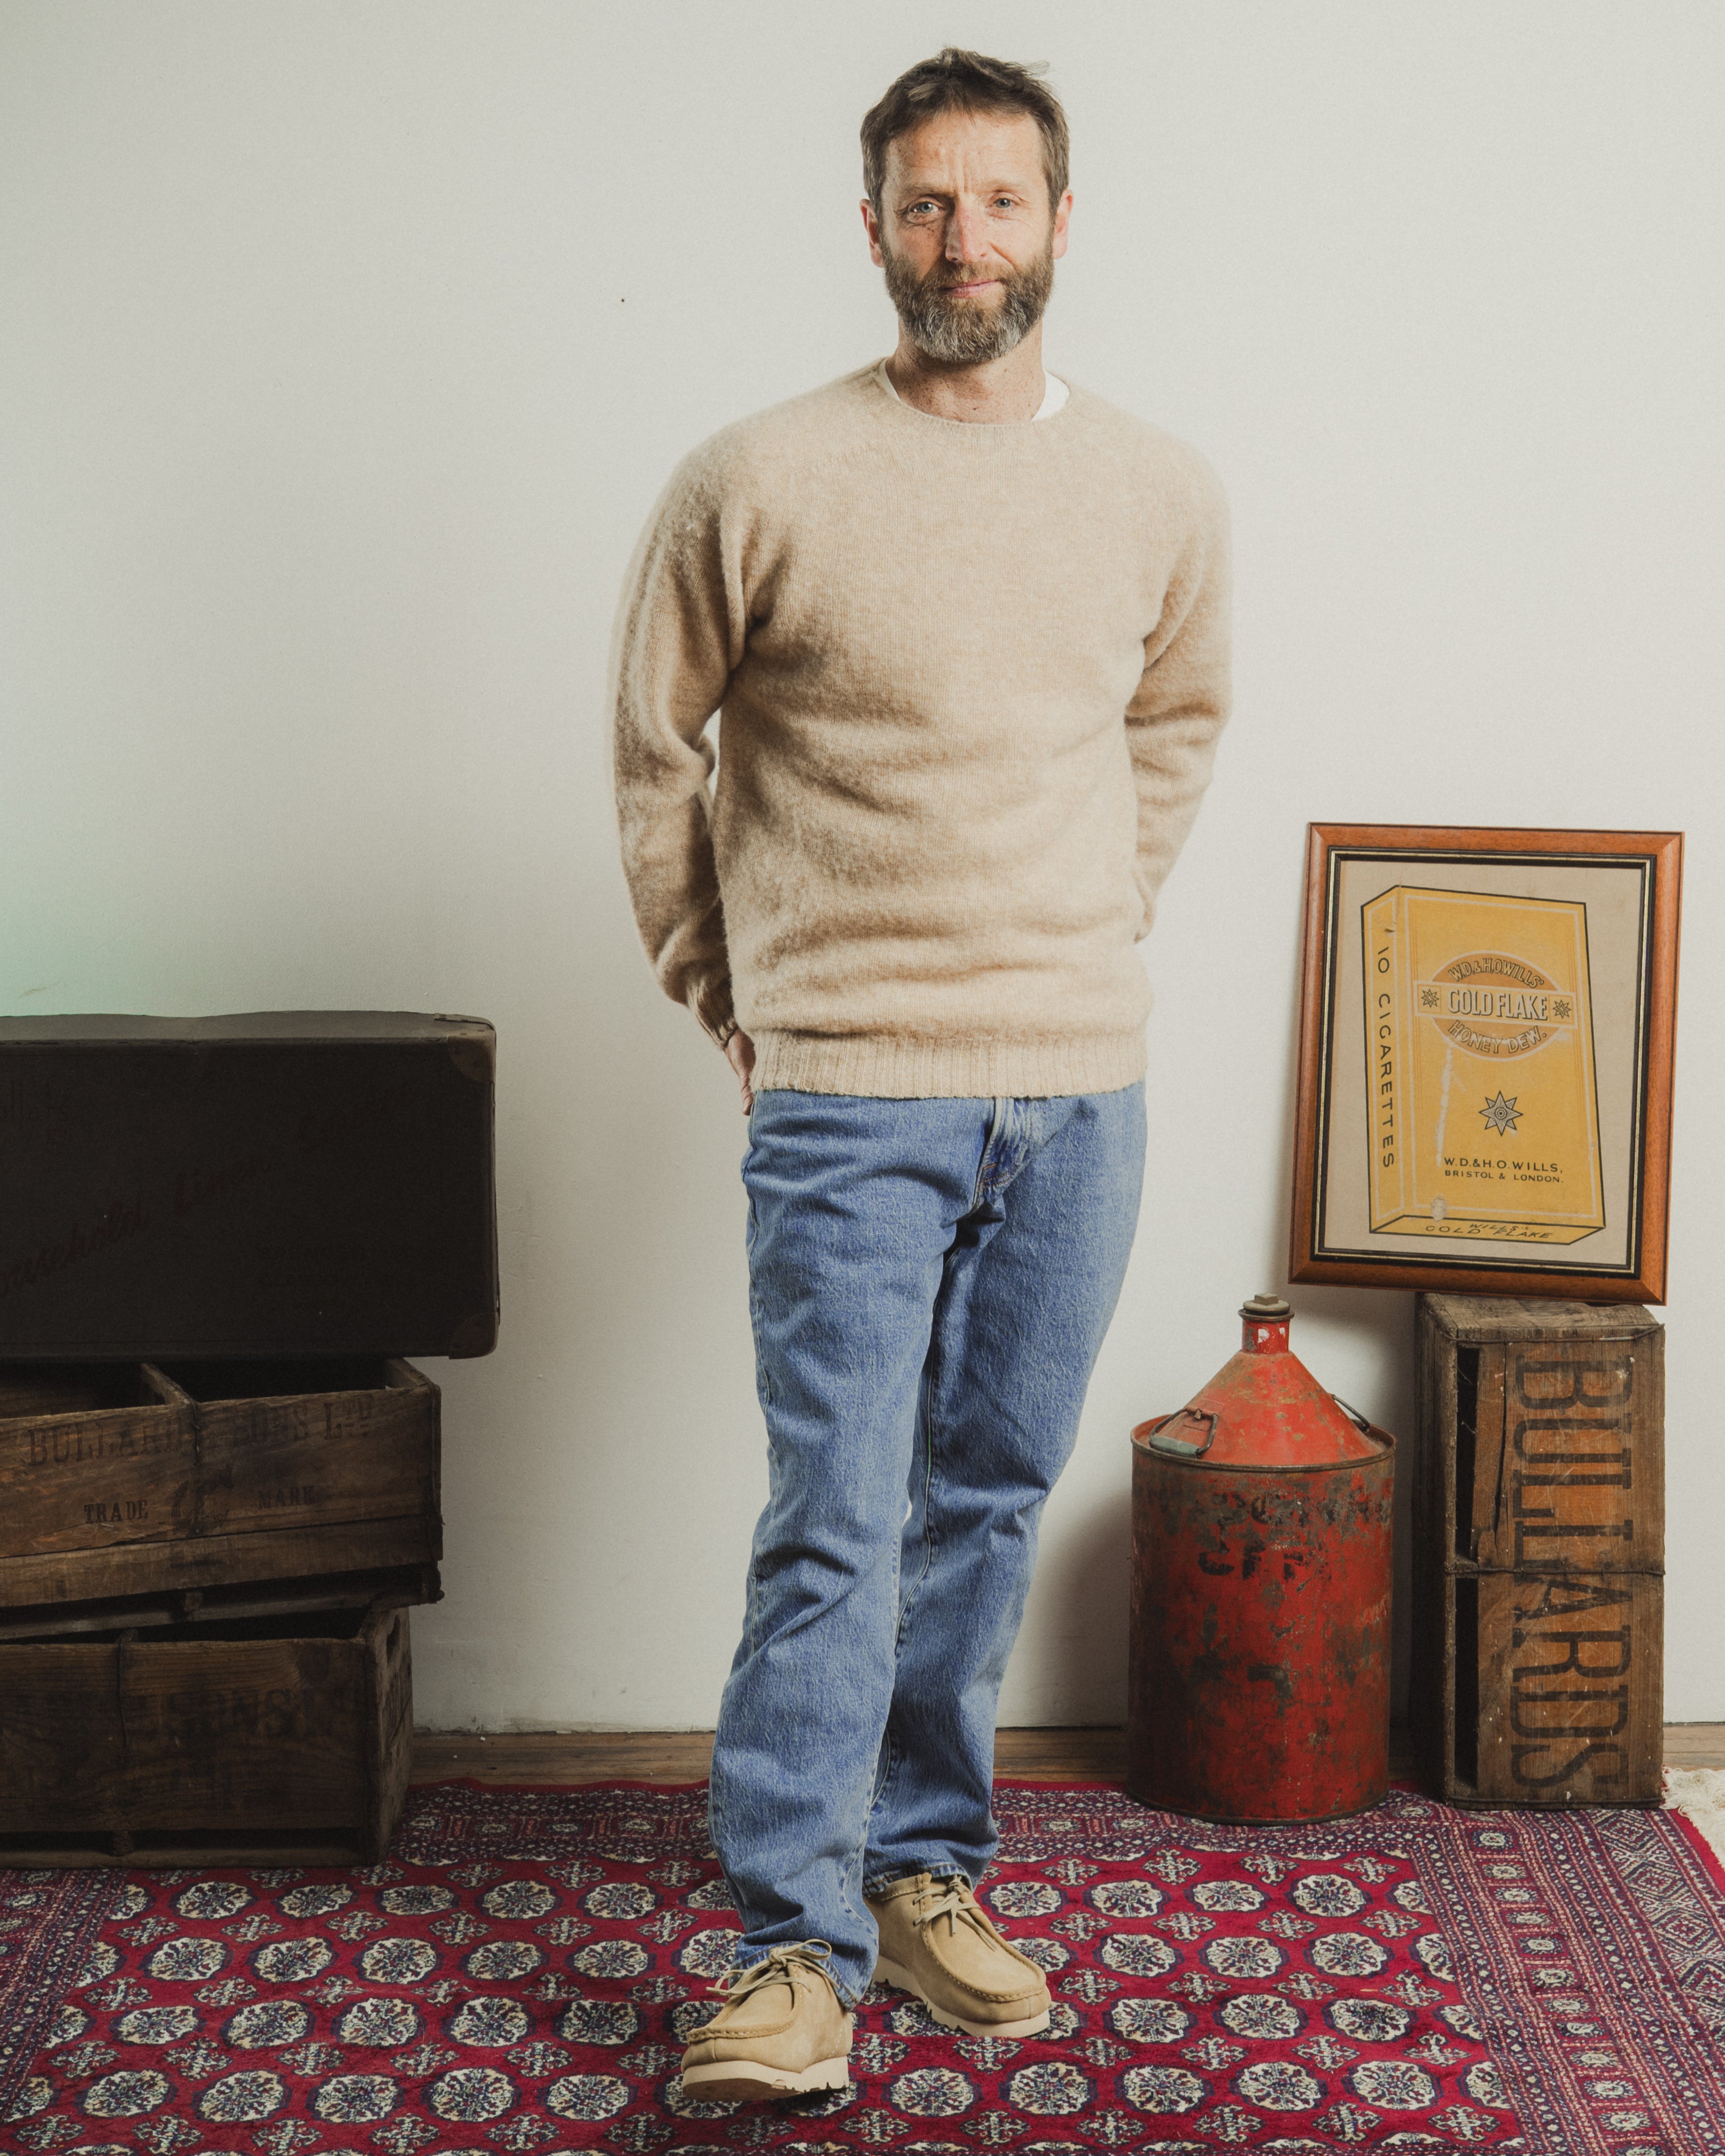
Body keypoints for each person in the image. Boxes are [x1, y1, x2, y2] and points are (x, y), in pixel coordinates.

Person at [611, 45, 1231, 2104]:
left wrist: (1089, 920)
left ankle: (919, 1866)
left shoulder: (1157, 487)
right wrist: (735, 991)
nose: (959, 240)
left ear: (1063, 223)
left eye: (998, 201)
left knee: (978, 1505)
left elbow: (1171, 726)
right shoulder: (755, 476)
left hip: (1083, 1085)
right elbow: (650, 754)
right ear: (868, 223)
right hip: (848, 1085)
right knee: (833, 1525)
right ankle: (789, 1950)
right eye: (922, 203)